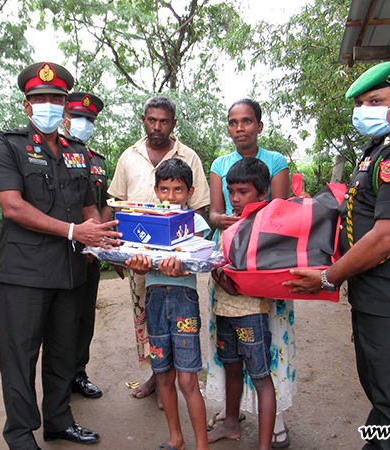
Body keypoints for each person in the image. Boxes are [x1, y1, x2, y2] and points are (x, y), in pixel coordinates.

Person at [284, 59, 390, 450]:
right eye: (361, 103)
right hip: (379, 293)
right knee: (382, 391)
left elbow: (389, 235)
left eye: (377, 100)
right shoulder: (378, 150)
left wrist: (329, 276)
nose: (366, 110)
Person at [0, 62, 120, 449]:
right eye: (39, 98)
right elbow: (12, 207)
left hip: (70, 272)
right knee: (20, 357)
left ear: (65, 106)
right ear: (27, 106)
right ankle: (19, 432)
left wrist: (98, 238)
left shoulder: (79, 153)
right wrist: (75, 232)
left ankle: (59, 420)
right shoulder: (8, 145)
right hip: (23, 274)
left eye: (56, 99)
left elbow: (87, 209)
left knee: (63, 351)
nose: (48, 104)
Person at [107, 96, 210, 402]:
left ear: (173, 123)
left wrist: (185, 251)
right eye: (152, 120)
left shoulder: (188, 157)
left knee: (179, 316)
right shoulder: (128, 157)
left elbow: (200, 208)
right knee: (145, 314)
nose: (157, 126)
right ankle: (157, 374)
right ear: (143, 120)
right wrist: (116, 250)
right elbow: (115, 205)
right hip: (139, 255)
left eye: (164, 121)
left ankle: (182, 377)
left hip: (176, 261)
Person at [206, 98, 294, 448]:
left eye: (246, 121)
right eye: (232, 122)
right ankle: (231, 416)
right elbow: (214, 213)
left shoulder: (276, 162)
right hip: (227, 256)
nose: (239, 128)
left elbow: (279, 216)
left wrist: (248, 226)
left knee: (266, 353)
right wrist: (224, 221)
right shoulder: (220, 164)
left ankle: (274, 420)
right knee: (228, 352)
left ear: (259, 124)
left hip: (261, 262)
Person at [124, 158, 211, 450]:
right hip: (154, 300)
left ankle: (202, 445)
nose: (170, 197)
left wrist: (182, 267)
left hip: (184, 301)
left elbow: (198, 261)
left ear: (190, 191)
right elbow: (140, 263)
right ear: (155, 190)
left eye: (178, 190)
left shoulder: (195, 222)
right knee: (163, 375)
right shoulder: (146, 220)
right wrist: (138, 265)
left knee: (188, 380)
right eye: (164, 189)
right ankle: (177, 438)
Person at [208, 157, 276, 450]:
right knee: (232, 367)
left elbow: (256, 277)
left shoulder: (264, 225)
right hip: (223, 312)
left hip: (251, 315)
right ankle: (231, 423)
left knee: (261, 377)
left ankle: (263, 446)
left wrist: (226, 281)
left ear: (262, 193)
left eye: (242, 191)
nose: (234, 198)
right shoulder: (229, 224)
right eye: (231, 191)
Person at [62, 91, 109, 398]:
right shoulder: (52, 153)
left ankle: (78, 372)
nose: (84, 123)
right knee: (60, 319)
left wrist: (97, 243)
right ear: (65, 118)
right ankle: (59, 379)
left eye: (90, 119)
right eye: (79, 117)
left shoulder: (97, 161)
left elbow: (104, 203)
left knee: (84, 317)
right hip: (59, 249)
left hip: (89, 254)